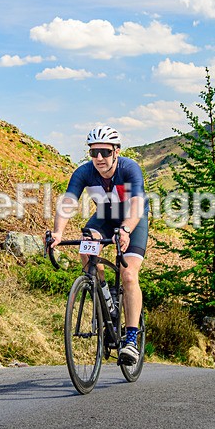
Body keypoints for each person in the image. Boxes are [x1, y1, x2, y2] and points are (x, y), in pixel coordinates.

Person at [48, 126, 149, 365]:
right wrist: (58, 233)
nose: (99, 158)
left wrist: (125, 229)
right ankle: (105, 295)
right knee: (86, 248)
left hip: (134, 220)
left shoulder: (129, 169)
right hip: (104, 217)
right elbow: (68, 203)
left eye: (104, 152)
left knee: (128, 275)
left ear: (116, 151)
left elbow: (136, 204)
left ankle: (131, 340)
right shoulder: (84, 172)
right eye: (94, 153)